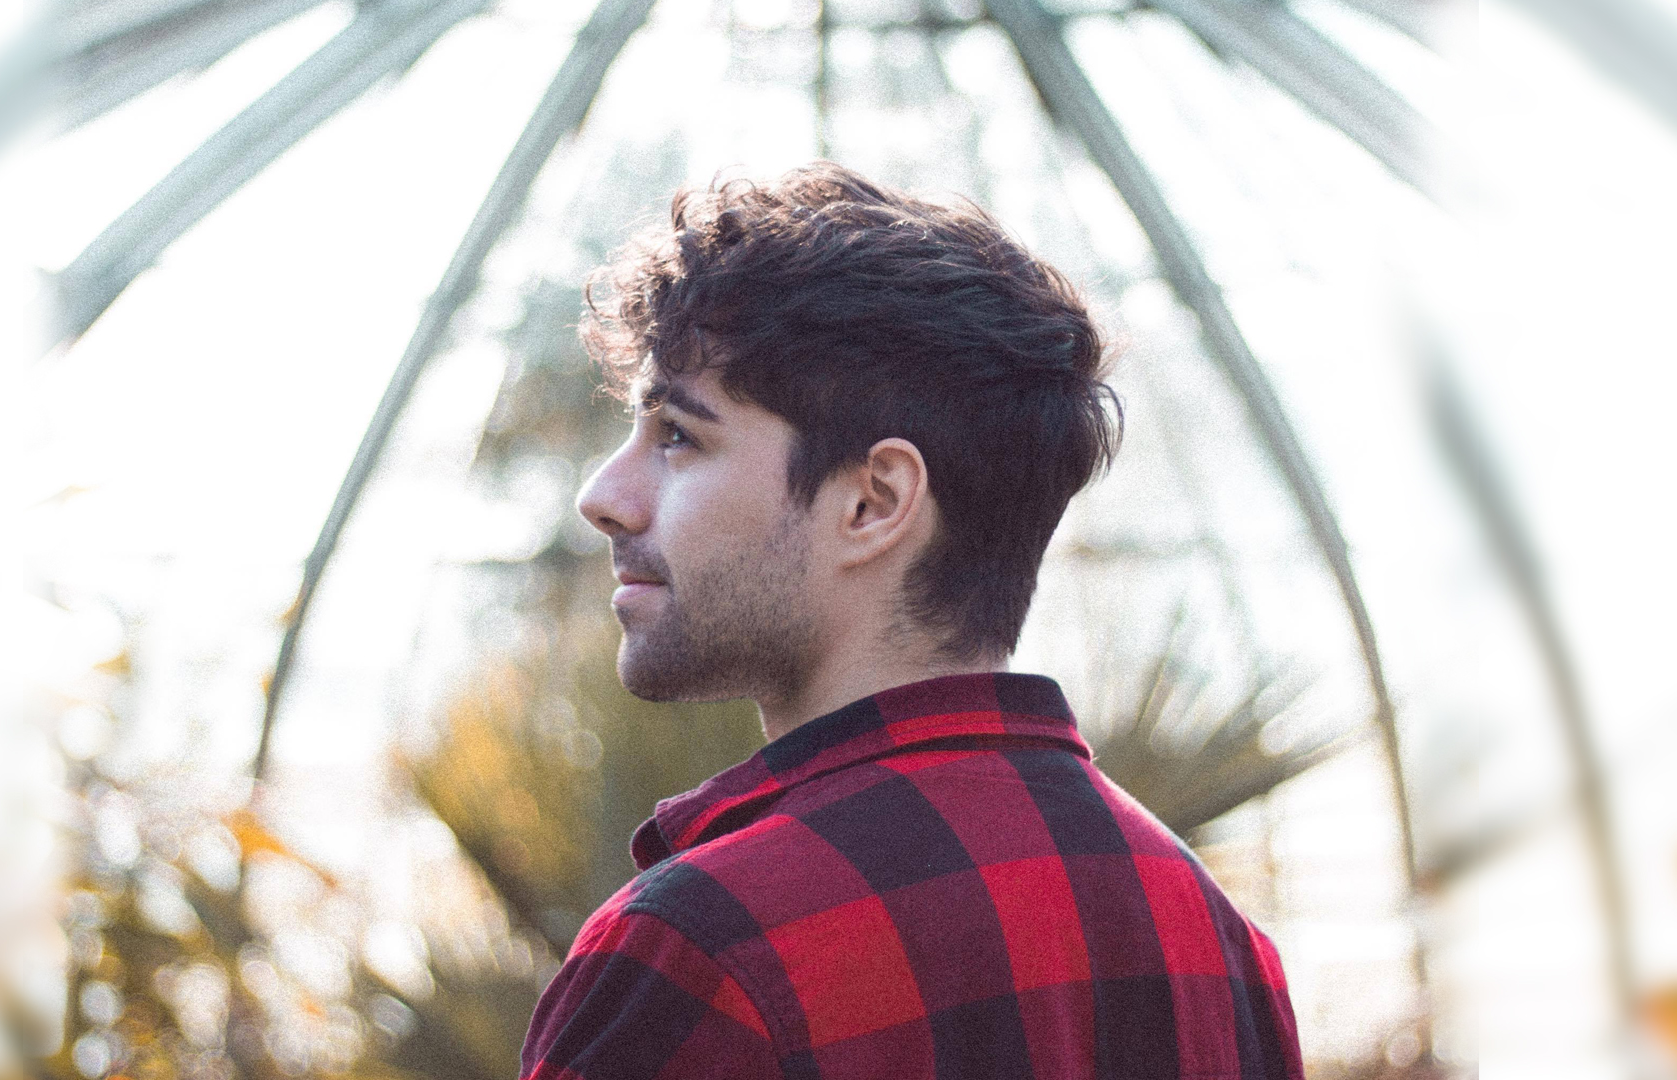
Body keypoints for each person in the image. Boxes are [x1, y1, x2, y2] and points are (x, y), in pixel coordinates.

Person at [520, 163, 1304, 1080]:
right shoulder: (1219, 948)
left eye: (679, 437)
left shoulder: (701, 956)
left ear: (874, 502)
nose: (603, 496)